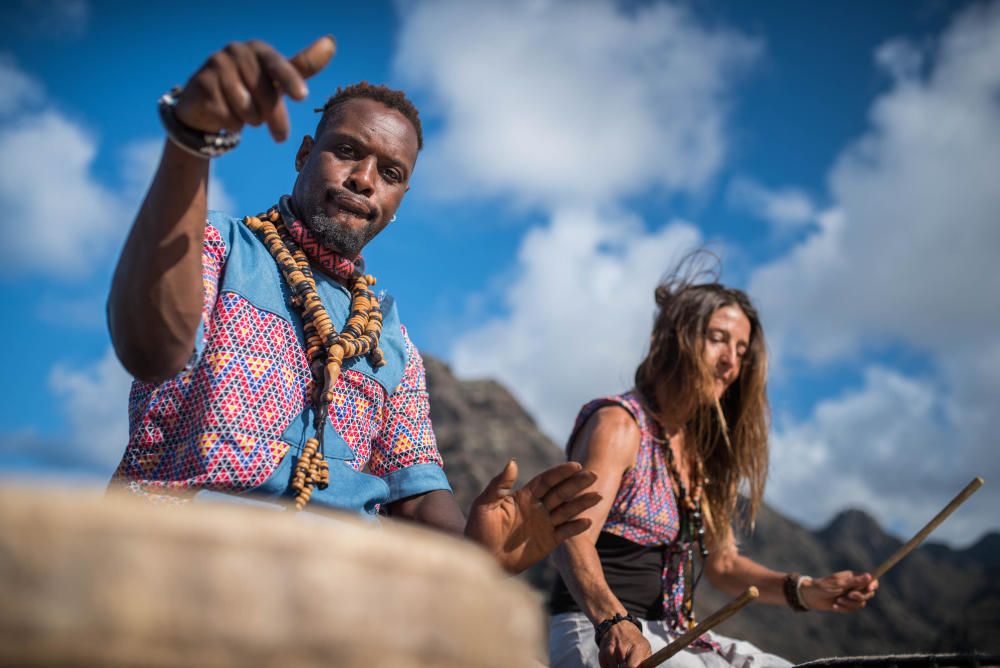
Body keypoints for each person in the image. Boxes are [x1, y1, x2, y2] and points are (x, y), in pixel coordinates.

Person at [106, 35, 599, 575]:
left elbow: (414, 493)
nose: (364, 180)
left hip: (342, 594)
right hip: (177, 566)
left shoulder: (390, 340)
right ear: (304, 153)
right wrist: (191, 139)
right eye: (346, 151)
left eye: (391, 175)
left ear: (398, 203)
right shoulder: (217, 249)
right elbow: (150, 347)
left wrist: (476, 553)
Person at [548, 270, 879, 667]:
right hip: (597, 631)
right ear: (674, 337)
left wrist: (807, 590)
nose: (730, 363)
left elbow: (723, 566)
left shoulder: (698, 453)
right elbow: (571, 539)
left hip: (672, 630)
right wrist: (615, 622)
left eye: (741, 350)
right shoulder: (619, 425)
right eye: (718, 339)